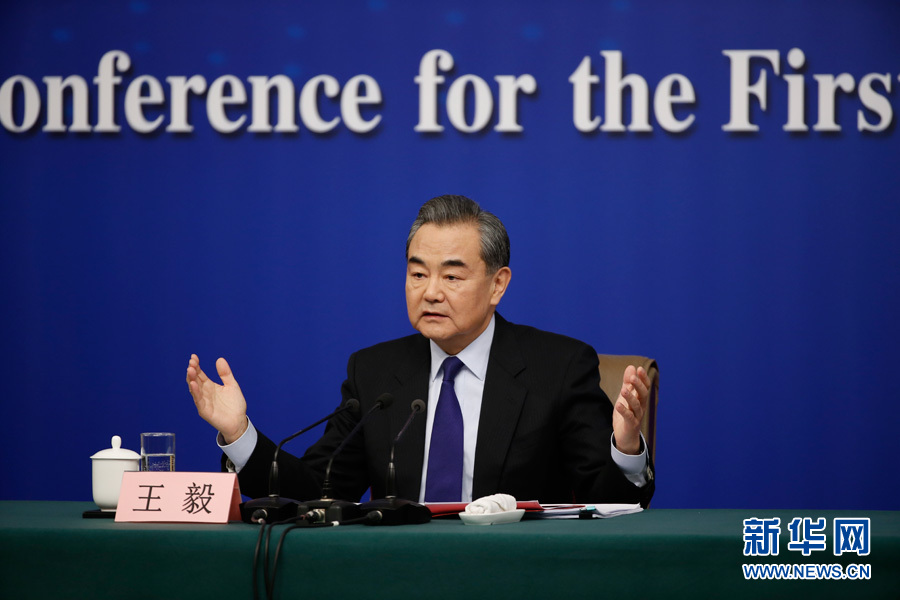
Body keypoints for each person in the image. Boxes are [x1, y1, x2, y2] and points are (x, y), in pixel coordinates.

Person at [187, 195, 654, 506]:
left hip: (514, 577)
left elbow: (609, 503)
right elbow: (318, 489)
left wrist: (626, 446)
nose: (430, 292)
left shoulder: (559, 367)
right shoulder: (375, 371)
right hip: (397, 577)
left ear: (498, 285)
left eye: (451, 276)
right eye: (417, 274)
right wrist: (239, 433)